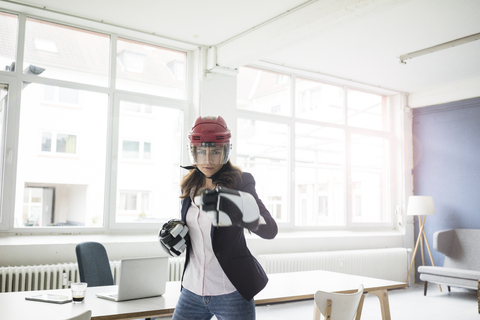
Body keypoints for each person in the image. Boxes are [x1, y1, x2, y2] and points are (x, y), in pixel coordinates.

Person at [159, 115, 278, 320]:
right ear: (193, 151)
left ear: (225, 151)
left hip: (231, 291)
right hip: (192, 290)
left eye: (214, 152)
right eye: (201, 152)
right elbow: (200, 235)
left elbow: (270, 230)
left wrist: (238, 207)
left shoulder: (241, 181)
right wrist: (175, 236)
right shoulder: (189, 185)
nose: (207, 159)